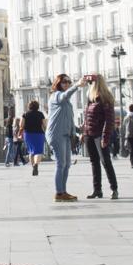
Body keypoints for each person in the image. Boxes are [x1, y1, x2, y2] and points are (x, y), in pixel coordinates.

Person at [46, 74, 90, 202]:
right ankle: (59, 193)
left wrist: (76, 130)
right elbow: (65, 96)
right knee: (61, 164)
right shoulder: (56, 96)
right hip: (56, 134)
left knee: (66, 165)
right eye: (64, 82)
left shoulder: (66, 102)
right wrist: (77, 85)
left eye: (69, 82)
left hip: (65, 135)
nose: (67, 84)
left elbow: (68, 119)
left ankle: (63, 191)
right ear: (58, 83)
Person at [82, 75, 119, 200]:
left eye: (91, 82)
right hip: (89, 134)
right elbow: (87, 118)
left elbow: (109, 120)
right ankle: (97, 190)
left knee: (105, 161)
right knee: (94, 162)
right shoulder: (90, 98)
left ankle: (114, 189)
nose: (89, 84)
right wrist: (84, 132)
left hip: (99, 134)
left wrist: (105, 137)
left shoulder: (105, 98)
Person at [21, 100, 46, 176]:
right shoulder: (40, 114)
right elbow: (45, 125)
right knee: (38, 151)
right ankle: (36, 164)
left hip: (28, 134)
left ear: (29, 106)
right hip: (39, 134)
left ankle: (33, 167)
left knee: (31, 151)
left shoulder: (25, 114)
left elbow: (21, 125)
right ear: (37, 106)